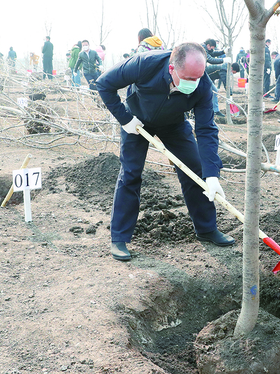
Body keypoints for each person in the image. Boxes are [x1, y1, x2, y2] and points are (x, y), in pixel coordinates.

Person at [95, 42, 235, 261]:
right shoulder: (144, 64)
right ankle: (119, 237)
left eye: (198, 78)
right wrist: (125, 119)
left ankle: (207, 229)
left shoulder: (203, 85)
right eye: (189, 79)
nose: (194, 84)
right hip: (137, 120)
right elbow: (104, 84)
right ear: (172, 68)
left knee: (195, 170)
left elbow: (206, 129)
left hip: (174, 124)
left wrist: (212, 173)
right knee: (131, 173)